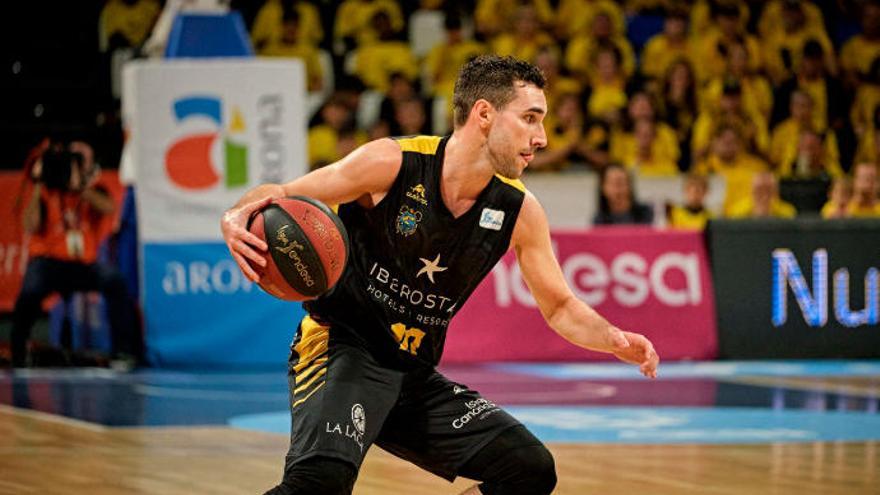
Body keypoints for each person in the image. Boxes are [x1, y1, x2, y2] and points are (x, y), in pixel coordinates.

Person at [221, 55, 659, 495]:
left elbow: (560, 305)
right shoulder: (392, 163)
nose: (541, 138)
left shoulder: (519, 210)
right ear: (484, 114)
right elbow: (280, 195)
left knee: (529, 469)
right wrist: (239, 214)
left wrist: (611, 337)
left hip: (411, 373)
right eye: (530, 118)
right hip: (343, 346)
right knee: (320, 483)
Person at [11, 140, 141, 368]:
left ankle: (123, 352)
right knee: (30, 290)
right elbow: (29, 225)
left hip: (82, 264)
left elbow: (109, 208)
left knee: (114, 280)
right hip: (48, 262)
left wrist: (80, 186)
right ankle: (18, 349)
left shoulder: (92, 189)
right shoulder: (45, 191)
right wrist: (41, 183)